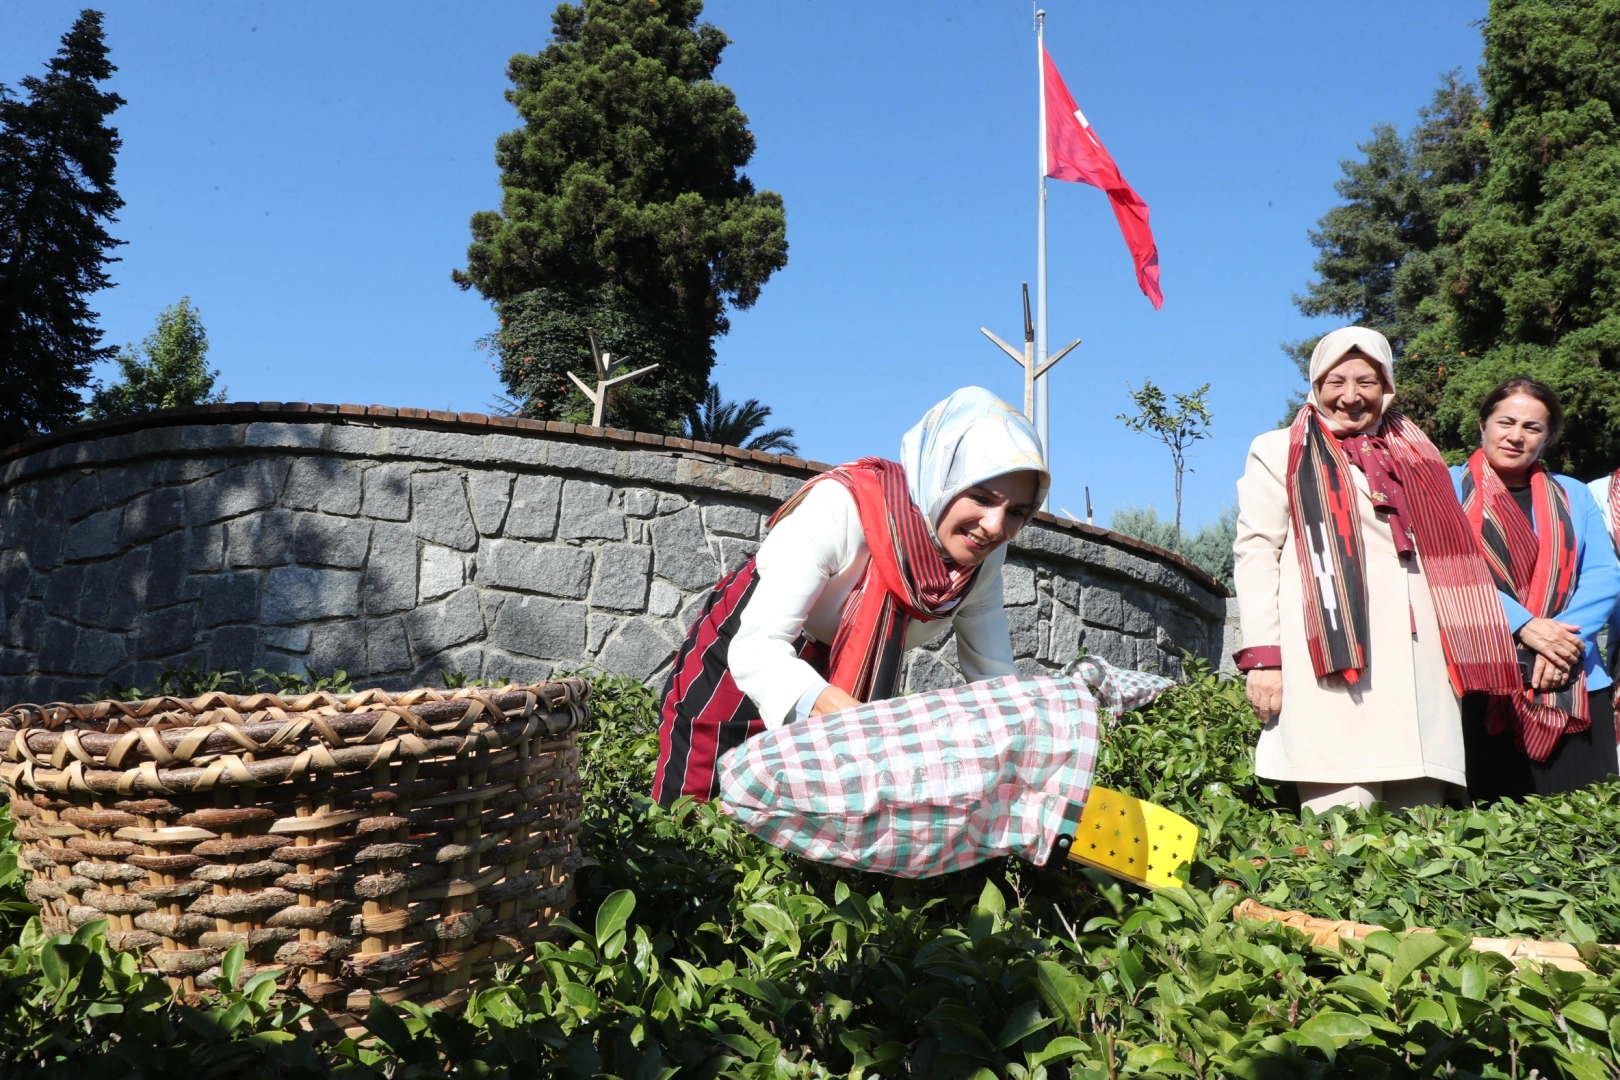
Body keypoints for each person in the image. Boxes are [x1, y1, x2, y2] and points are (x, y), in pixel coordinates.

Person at [652, 386, 1048, 806]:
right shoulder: (841, 507)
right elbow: (757, 649)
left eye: (1018, 512)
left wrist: (1037, 757)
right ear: (941, 477)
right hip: (756, 642)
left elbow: (995, 683)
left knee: (816, 810)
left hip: (850, 665)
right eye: (981, 497)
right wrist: (850, 722)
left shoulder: (981, 562)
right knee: (701, 786)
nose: (994, 526)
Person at [1232, 326, 1520, 815]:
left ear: (1386, 386)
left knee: (1421, 845)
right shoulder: (1279, 449)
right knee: (1339, 832)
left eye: (1365, 381)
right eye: (1336, 381)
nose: (1350, 396)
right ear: (1315, 383)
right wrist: (1265, 660)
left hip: (1420, 671)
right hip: (1332, 665)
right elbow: (1256, 551)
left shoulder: (1419, 455)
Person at [1452, 378, 1620, 799]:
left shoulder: (1575, 494)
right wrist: (1522, 625)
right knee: (1488, 832)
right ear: (1483, 424)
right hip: (1481, 676)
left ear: (1546, 439)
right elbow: (1445, 572)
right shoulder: (1447, 489)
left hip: (1571, 674)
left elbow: (1603, 572)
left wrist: (1559, 641)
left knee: (1581, 825)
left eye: (1532, 427)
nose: (1516, 435)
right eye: (1505, 422)